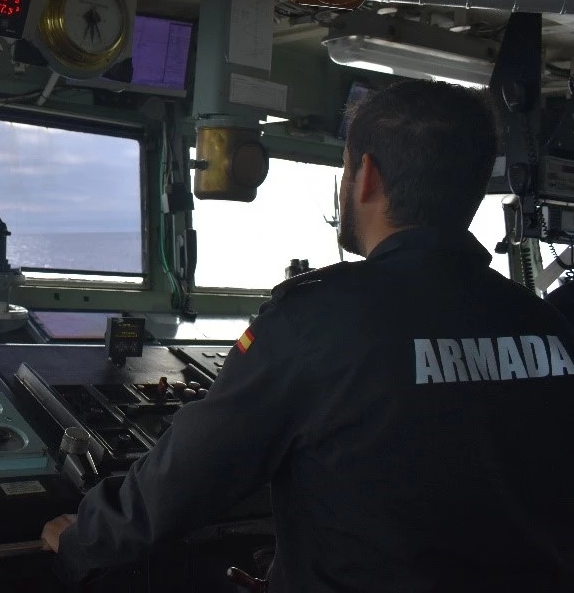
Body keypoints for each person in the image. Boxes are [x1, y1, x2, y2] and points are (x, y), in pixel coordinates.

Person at [41, 79, 574, 591]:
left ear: (364, 176)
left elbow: (189, 477)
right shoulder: (546, 324)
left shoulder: (314, 321)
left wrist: (85, 540)